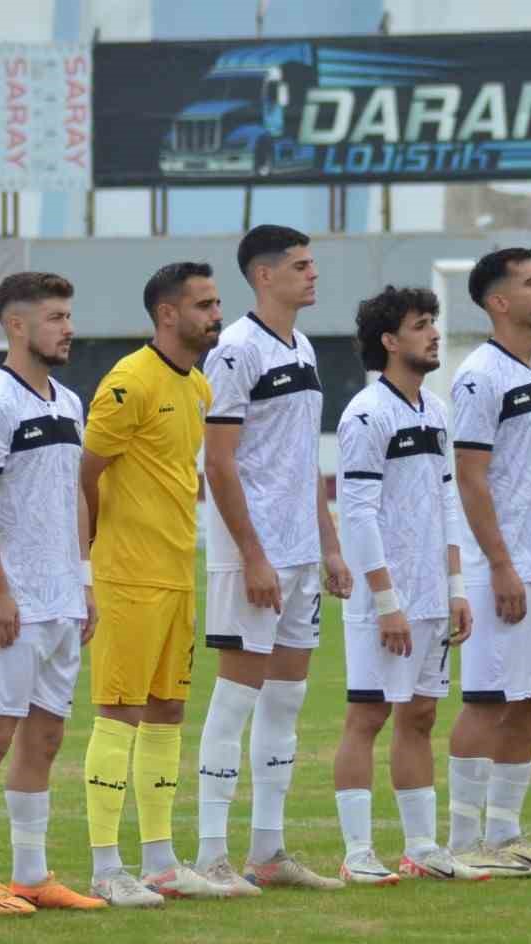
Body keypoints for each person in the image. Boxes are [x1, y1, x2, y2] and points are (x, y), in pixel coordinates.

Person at [196, 225, 351, 896]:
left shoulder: (304, 347)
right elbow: (218, 462)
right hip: (251, 559)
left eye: (312, 264)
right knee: (235, 699)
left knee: (286, 702)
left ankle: (268, 850)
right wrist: (253, 555)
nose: (313, 274)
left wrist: (330, 544)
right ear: (264, 276)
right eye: (300, 265)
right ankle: (210, 854)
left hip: (300, 556)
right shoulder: (235, 350)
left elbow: (300, 460)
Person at [0, 272, 106, 915]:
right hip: (15, 603)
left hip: (62, 599)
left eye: (68, 316)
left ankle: (32, 875)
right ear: (17, 325)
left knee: (45, 739)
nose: (68, 329)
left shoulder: (68, 402)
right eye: (55, 317)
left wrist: (84, 581)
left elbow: (75, 495)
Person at [81, 261, 228, 907]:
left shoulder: (197, 386)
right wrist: (91, 558)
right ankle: (104, 866)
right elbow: (85, 473)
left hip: (175, 573)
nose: (216, 315)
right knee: (120, 711)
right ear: (168, 314)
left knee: (168, 710)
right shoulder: (128, 382)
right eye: (204, 305)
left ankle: (161, 860)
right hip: (128, 575)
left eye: (216, 303)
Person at [333, 285, 484, 884]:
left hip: (430, 596)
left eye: (432, 323)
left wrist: (456, 587)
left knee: (420, 715)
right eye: (421, 325)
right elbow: (358, 514)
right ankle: (357, 854)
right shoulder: (366, 414)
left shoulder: (437, 411)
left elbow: (447, 502)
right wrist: (386, 602)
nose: (434, 334)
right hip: (384, 601)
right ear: (390, 342)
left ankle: (422, 847)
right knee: (367, 716)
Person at [446, 248, 531, 878]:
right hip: (502, 566)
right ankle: (461, 841)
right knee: (487, 700)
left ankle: (505, 833)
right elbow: (470, 476)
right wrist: (500, 564)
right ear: (499, 302)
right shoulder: (479, 375)